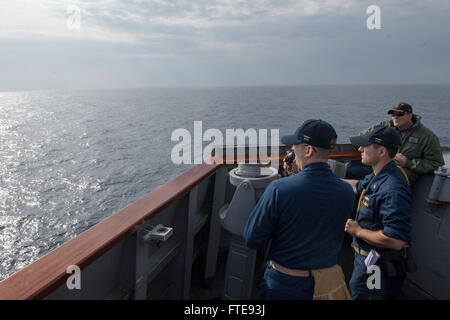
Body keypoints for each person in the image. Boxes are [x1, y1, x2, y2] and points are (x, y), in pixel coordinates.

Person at [243, 119, 355, 300]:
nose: (292, 151)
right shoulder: (346, 192)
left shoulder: (278, 189)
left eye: (295, 147)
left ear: (308, 150)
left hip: (286, 283)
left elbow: (252, 239)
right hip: (328, 282)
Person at [344, 125, 413, 300]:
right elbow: (357, 186)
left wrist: (358, 231)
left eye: (364, 146)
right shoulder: (380, 175)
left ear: (381, 151)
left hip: (376, 266)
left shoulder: (392, 188)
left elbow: (395, 240)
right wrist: (323, 178)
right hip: (368, 261)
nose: (359, 149)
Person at [346, 102, 445, 184]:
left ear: (410, 115)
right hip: (378, 166)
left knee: (363, 179)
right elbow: (362, 137)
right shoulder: (384, 127)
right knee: (349, 172)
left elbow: (436, 163)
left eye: (399, 114)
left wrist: (408, 163)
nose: (395, 117)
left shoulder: (426, 136)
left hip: (401, 173)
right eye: (393, 114)